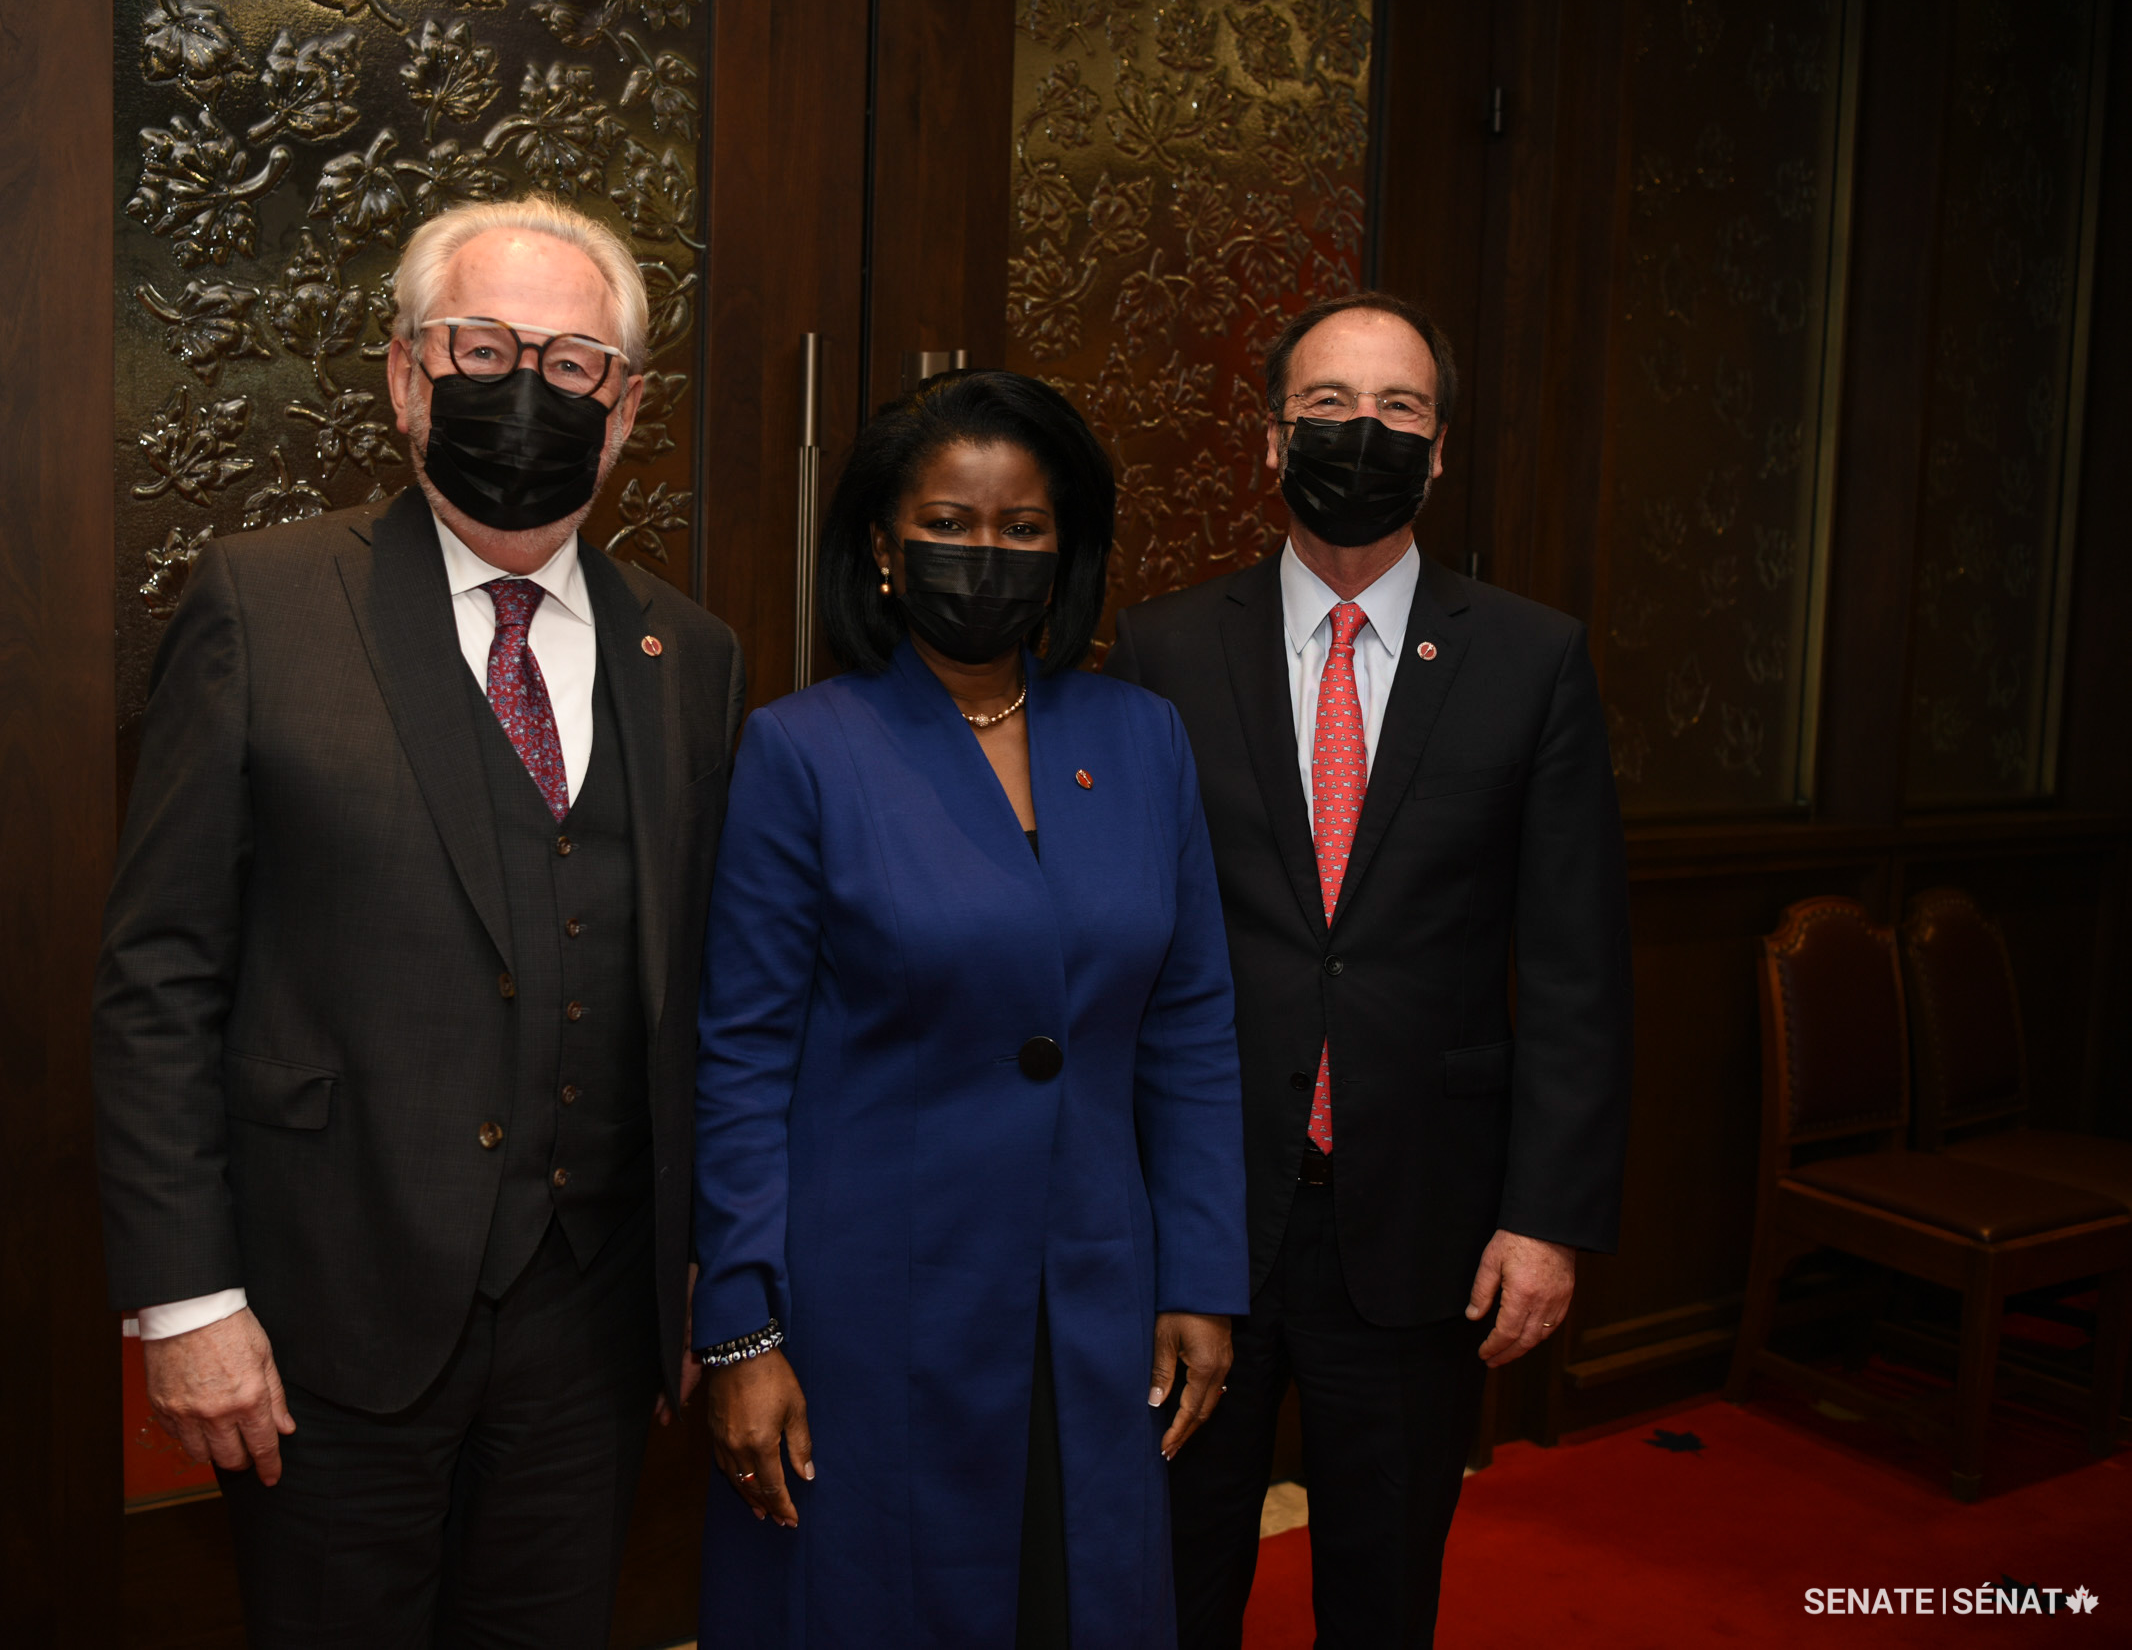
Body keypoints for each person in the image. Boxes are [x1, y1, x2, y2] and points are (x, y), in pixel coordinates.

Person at [92, 195, 743, 1646]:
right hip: (327, 1318)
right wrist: (186, 1301)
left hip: (591, 1331)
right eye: (483, 349)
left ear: (626, 410)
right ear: (405, 375)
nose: (529, 389)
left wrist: (710, 1265)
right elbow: (160, 975)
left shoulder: (689, 655)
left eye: (571, 364)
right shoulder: (263, 604)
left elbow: (701, 987)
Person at [690, 369, 1248, 1649]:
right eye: (946, 523)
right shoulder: (803, 749)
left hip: (1095, 1295)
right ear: (883, 550)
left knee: (1073, 1600)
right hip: (869, 1305)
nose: (983, 553)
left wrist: (1202, 1277)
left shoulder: (1144, 739)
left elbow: (1192, 1033)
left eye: (1020, 527)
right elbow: (741, 1060)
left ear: (1065, 554)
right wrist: (741, 1332)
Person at [1106, 292, 1632, 1650]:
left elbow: (1574, 963)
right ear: (1271, 439)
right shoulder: (1165, 649)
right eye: (1327, 405)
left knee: (1384, 1588)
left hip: (1420, 1225)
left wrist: (1547, 1217)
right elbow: (1120, 944)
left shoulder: (1531, 658)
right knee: (1169, 1579)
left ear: (1439, 448)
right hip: (1201, 1217)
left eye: (1398, 408)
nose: (1363, 431)